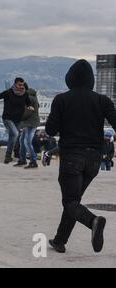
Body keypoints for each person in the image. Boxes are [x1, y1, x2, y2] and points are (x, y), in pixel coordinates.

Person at [45, 59, 116, 254]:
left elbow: (50, 129)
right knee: (73, 201)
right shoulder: (103, 100)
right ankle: (60, 240)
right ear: (91, 79)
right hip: (94, 160)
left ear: (70, 78)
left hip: (71, 158)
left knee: (70, 202)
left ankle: (94, 221)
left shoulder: (62, 99)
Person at [0, 78, 33, 164]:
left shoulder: (25, 94)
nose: (21, 87)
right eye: (19, 85)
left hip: (17, 120)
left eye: (22, 85)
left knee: (13, 138)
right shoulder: (9, 92)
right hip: (7, 118)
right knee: (16, 134)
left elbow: (28, 103)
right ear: (15, 84)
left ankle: (6, 155)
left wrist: (30, 106)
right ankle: (7, 155)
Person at [14, 84, 40, 169]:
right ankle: (22, 160)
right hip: (28, 123)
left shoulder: (29, 98)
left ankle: (33, 161)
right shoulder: (29, 96)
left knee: (27, 142)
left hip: (31, 123)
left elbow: (27, 112)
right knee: (22, 140)